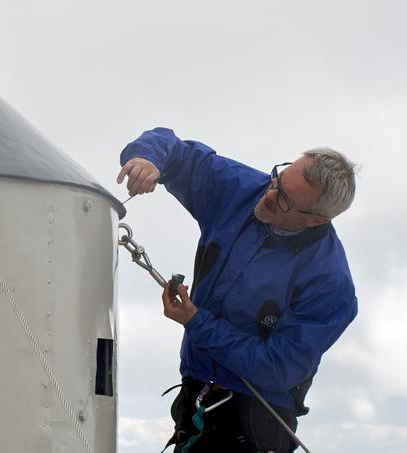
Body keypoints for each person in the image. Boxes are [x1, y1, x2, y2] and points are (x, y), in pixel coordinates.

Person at [116, 127, 358, 453]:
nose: (268, 196)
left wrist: (197, 323)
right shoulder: (242, 190)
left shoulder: (330, 284)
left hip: (257, 421)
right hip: (195, 396)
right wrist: (147, 157)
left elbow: (277, 368)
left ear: (316, 221)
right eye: (277, 180)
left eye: (285, 200)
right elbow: (177, 152)